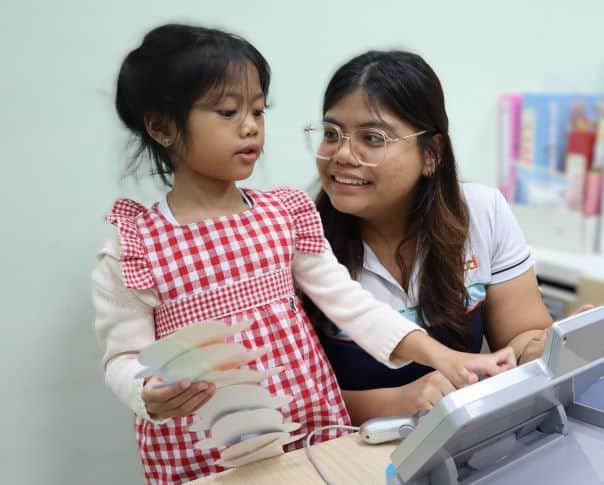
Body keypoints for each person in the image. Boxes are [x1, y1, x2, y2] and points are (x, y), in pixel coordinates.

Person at [91, 25, 514, 484]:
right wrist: (144, 392)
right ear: (161, 127)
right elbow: (122, 357)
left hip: (307, 436)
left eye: (257, 110)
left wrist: (442, 357)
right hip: (202, 448)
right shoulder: (134, 247)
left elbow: (353, 306)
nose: (251, 126)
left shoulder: (284, 216)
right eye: (228, 111)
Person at [304, 50, 554, 425]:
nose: (341, 154)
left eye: (371, 138)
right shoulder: (297, 239)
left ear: (431, 153)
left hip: (459, 444)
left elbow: (524, 334)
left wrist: (544, 348)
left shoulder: (481, 212)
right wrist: (400, 400)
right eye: (330, 134)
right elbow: (294, 400)